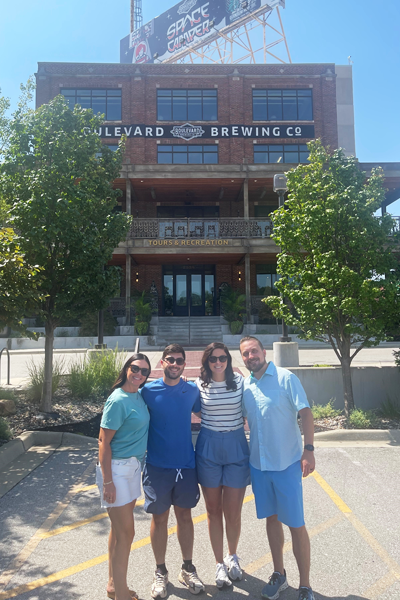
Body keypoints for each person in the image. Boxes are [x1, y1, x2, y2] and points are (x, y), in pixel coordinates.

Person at [239, 336, 316, 600]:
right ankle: (279, 574)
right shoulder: (246, 386)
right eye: (246, 354)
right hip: (259, 467)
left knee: (296, 524)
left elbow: (305, 413)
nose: (251, 357)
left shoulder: (286, 378)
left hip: (286, 465)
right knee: (271, 520)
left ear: (263, 351)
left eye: (254, 351)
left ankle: (305, 586)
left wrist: (309, 450)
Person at [141, 343, 205, 599]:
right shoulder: (146, 390)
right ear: (163, 362)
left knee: (185, 517)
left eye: (180, 360)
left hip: (186, 466)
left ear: (183, 363)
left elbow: (204, 411)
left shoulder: (191, 390)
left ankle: (187, 568)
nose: (175, 364)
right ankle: (160, 571)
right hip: (156, 466)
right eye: (171, 360)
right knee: (159, 519)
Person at [195, 342, 250, 589]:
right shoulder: (198, 385)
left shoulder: (240, 382)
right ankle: (219, 563)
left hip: (237, 445)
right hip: (209, 447)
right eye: (213, 359)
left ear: (228, 360)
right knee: (213, 510)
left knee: (234, 511)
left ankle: (232, 555)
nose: (218, 362)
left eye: (223, 358)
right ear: (207, 362)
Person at [97, 353, 151, 600]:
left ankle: (112, 584)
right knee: (127, 534)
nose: (139, 374)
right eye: (135, 368)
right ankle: (121, 594)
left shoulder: (136, 395)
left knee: (118, 531)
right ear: (127, 368)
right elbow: (103, 441)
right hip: (116, 471)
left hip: (132, 469)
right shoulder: (118, 399)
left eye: (144, 371)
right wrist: (107, 481)